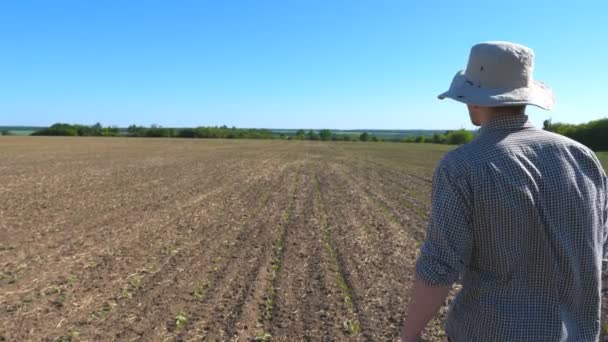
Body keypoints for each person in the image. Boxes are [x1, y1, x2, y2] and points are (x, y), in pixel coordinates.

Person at [401, 41, 607, 341]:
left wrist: (410, 334)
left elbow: (439, 266)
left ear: (472, 99)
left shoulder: (462, 165)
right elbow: (601, 251)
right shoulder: (582, 156)